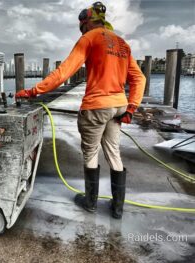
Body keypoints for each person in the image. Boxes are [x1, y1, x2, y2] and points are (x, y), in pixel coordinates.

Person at [15, 1, 146, 219]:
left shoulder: (89, 39)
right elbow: (139, 78)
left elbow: (62, 73)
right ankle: (117, 209)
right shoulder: (122, 44)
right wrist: (131, 107)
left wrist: (32, 91)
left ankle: (91, 203)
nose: (82, 31)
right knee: (113, 152)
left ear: (86, 24)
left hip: (96, 107)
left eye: (82, 27)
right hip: (119, 106)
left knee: (91, 152)